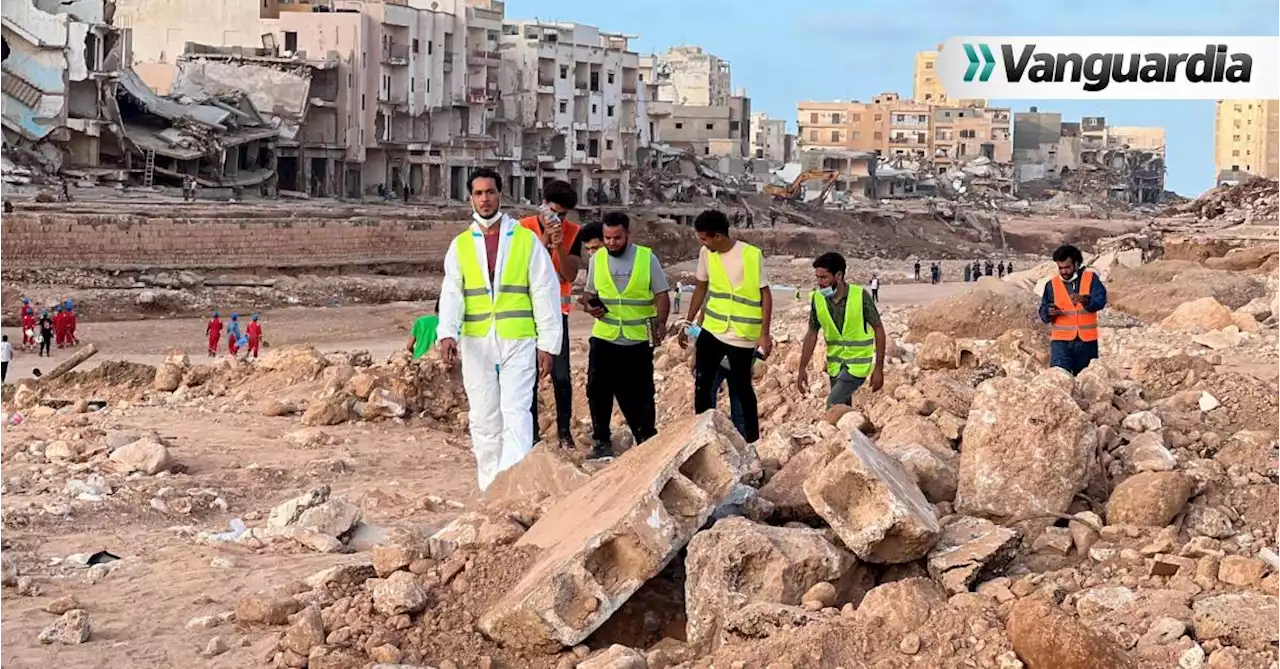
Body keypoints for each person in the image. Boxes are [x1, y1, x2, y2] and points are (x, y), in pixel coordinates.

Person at [436, 168, 562, 491]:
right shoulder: (460, 246)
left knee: (516, 413)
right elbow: (451, 293)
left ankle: (513, 487)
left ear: (500, 196)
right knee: (484, 419)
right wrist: (446, 333)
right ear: (470, 199)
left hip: (518, 341)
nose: (485, 199)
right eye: (478, 193)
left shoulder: (524, 240)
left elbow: (544, 291)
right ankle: (490, 489)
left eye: (490, 192)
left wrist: (548, 344)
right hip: (478, 344)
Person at [581, 212, 670, 458]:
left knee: (639, 393)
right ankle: (601, 441)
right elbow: (588, 294)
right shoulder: (597, 260)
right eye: (607, 238)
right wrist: (591, 306)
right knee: (598, 390)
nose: (611, 243)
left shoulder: (646, 258)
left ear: (628, 235)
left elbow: (662, 294)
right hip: (604, 336)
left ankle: (646, 440)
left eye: (617, 238)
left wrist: (660, 324)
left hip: (636, 339)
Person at [679, 209, 772, 444]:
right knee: (703, 388)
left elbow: (765, 294)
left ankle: (748, 442)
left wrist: (765, 334)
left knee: (741, 391)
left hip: (742, 336)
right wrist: (688, 323)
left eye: (704, 238)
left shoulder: (751, 255)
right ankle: (703, 440)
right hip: (712, 331)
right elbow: (701, 288)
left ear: (718, 236)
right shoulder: (706, 254)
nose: (702, 243)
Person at [519, 180, 582, 449]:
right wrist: (543, 241)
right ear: (543, 207)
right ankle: (531, 434)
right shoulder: (522, 229)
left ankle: (564, 432)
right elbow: (521, 269)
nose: (558, 219)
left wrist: (558, 246)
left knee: (561, 375)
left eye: (564, 214)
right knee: (529, 376)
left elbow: (570, 274)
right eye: (554, 212)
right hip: (526, 313)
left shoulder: (573, 233)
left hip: (557, 313)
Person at [796, 253, 886, 408]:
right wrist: (802, 368)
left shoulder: (860, 296)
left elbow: (879, 330)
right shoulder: (817, 299)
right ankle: (854, 429)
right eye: (817, 278)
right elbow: (812, 334)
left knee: (833, 403)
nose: (819, 283)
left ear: (838, 275)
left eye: (823, 278)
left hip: (857, 365)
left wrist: (878, 368)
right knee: (844, 407)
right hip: (835, 365)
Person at [1039, 244, 1107, 376]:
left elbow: (1100, 301)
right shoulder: (1051, 285)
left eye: (1067, 267)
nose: (1064, 271)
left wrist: (1085, 300)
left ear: (1076, 264)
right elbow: (1043, 311)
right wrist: (1049, 312)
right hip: (1061, 343)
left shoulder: (1091, 279)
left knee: (1086, 380)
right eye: (1061, 268)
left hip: (1086, 343)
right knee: (1059, 378)